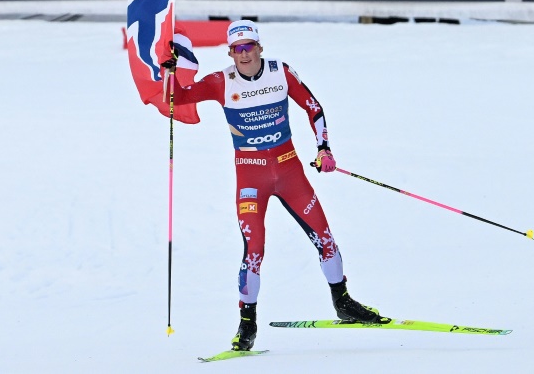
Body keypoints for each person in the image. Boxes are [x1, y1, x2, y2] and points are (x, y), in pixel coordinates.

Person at [163, 20, 381, 352]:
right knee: (255, 250)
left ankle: (343, 301)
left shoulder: (281, 72)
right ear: (230, 53)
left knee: (325, 237)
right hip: (251, 178)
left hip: (290, 170)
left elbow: (314, 108)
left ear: (260, 48)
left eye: (250, 46)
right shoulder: (221, 81)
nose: (245, 54)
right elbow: (176, 98)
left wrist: (324, 149)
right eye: (238, 49)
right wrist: (171, 71)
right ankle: (246, 324)